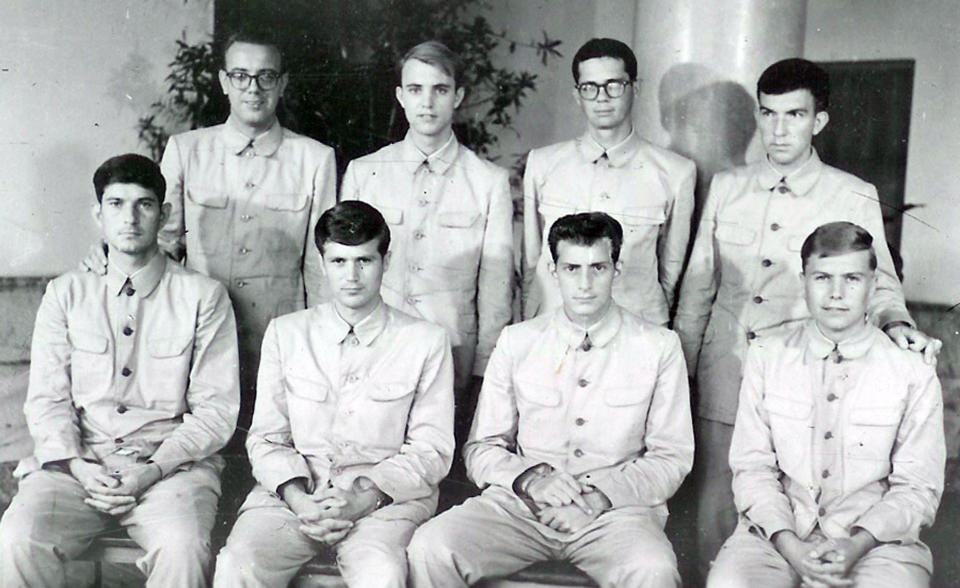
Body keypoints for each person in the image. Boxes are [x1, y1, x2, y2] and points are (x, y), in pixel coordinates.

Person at [673, 57, 942, 574]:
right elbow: (698, 287)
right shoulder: (728, 186)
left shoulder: (851, 193)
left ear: (818, 121)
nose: (778, 130)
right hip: (723, 371)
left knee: (801, 509)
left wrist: (899, 326)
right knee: (717, 516)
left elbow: (880, 281)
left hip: (800, 377)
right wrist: (680, 370)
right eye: (768, 114)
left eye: (793, 115)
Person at [408, 212, 693, 588]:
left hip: (616, 514)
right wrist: (529, 480)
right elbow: (482, 447)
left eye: (599, 268)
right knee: (431, 548)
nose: (585, 284)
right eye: (572, 268)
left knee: (652, 570)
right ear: (553, 270)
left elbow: (671, 457)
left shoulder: (659, 346)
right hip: (518, 509)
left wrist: (597, 500)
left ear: (617, 269)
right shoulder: (518, 340)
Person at [0, 154, 239, 587]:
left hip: (169, 469)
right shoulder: (66, 294)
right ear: (98, 214)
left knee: (184, 549)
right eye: (116, 204)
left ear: (164, 214)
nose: (129, 218)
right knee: (17, 540)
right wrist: (76, 464)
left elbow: (215, 412)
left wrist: (151, 469)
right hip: (78, 465)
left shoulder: (203, 297)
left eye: (144, 204)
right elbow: (48, 398)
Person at [84, 29, 336, 437]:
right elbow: (159, 241)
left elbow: (320, 265)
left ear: (282, 83)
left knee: (271, 445)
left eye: (266, 77)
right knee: (203, 444)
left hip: (277, 337)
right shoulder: (187, 150)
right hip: (196, 335)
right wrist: (105, 256)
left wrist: (318, 346)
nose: (253, 89)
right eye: (240, 76)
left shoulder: (314, 159)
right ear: (223, 82)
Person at [213, 201, 454, 588]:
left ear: (386, 261)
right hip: (293, 497)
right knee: (237, 566)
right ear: (322, 263)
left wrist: (362, 498)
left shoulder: (424, 340)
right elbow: (266, 438)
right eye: (339, 262)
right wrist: (299, 499)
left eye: (364, 261)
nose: (352, 276)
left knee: (383, 574)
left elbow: (432, 449)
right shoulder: (287, 333)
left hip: (384, 503)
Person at [707, 221, 944, 587]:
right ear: (803, 280)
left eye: (851, 278)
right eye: (822, 278)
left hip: (877, 542)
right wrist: (789, 545)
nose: (836, 293)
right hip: (777, 533)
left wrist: (857, 543)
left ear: (874, 284)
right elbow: (752, 467)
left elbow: (917, 487)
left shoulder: (912, 369)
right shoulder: (767, 356)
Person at [339, 40, 513, 445]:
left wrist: (484, 370)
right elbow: (344, 271)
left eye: (440, 89)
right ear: (400, 96)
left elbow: (496, 288)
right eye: (415, 90)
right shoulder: (366, 173)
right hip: (373, 351)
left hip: (451, 356)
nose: (427, 103)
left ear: (459, 96)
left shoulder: (488, 182)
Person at [521, 38, 695, 325]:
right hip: (554, 325)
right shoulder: (543, 163)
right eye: (589, 88)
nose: (602, 98)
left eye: (614, 85)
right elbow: (531, 261)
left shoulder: (676, 172)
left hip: (636, 328)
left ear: (635, 88)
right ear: (577, 94)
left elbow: (670, 271)